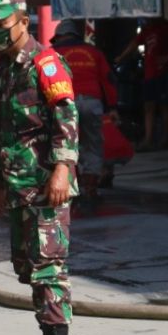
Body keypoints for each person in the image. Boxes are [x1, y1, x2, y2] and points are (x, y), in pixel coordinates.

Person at [0, 0, 80, 335]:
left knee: (48, 268)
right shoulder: (5, 70)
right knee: (28, 267)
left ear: (24, 22)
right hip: (18, 186)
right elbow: (1, 133)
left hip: (45, 185)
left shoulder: (47, 64)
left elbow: (67, 118)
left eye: (1, 25)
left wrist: (63, 169)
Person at [51, 20, 117, 212]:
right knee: (93, 143)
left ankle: (73, 188)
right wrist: (112, 106)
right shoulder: (93, 52)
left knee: (67, 145)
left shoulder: (52, 53)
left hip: (65, 104)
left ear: (60, 36)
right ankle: (90, 188)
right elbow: (108, 80)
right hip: (91, 102)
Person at [117, 16, 168, 150]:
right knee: (148, 106)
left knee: (164, 105)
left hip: (163, 72)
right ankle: (148, 139)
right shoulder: (147, 29)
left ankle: (165, 139)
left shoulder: (166, 26)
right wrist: (121, 57)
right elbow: (134, 43)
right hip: (149, 73)